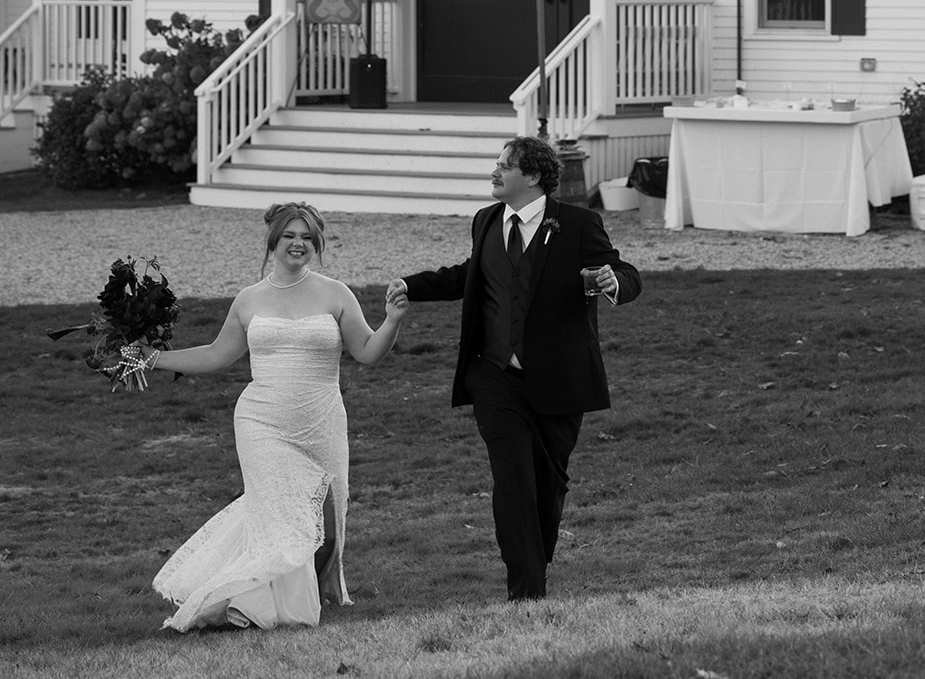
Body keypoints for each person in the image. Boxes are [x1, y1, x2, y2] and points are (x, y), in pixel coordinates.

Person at [387, 136, 641, 602]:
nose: (495, 171)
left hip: (560, 379)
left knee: (548, 486)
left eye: (505, 165)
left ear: (534, 176)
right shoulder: (486, 221)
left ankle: (533, 567)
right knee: (512, 482)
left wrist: (612, 282)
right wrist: (413, 285)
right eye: (497, 163)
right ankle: (525, 595)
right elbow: (471, 275)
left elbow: (626, 275)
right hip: (494, 375)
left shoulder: (579, 224)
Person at [145, 201, 407, 631]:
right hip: (261, 421)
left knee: (327, 523)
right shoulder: (249, 299)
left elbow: (368, 352)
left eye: (307, 237)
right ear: (273, 241)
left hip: (321, 419)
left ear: (317, 244)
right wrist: (152, 359)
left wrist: (392, 322)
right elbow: (216, 354)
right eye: (289, 236)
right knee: (280, 514)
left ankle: (317, 587)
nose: (298, 244)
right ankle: (259, 605)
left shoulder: (336, 293)